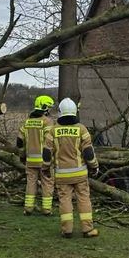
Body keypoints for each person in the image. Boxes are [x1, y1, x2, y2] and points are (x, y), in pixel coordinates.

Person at [43, 98, 99, 238]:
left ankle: (67, 230)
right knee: (84, 199)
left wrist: (45, 168)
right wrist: (94, 166)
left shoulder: (53, 131)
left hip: (62, 175)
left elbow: (47, 153)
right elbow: (88, 153)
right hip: (80, 174)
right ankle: (88, 229)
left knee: (65, 200)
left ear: (60, 112)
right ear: (75, 111)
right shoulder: (81, 129)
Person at [16, 95, 55, 216]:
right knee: (47, 184)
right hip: (45, 161)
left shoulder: (27, 122)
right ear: (45, 107)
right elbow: (50, 142)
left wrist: (22, 155)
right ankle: (47, 210)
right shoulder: (47, 122)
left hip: (30, 160)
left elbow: (19, 141)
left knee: (31, 183)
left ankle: (28, 208)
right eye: (49, 107)